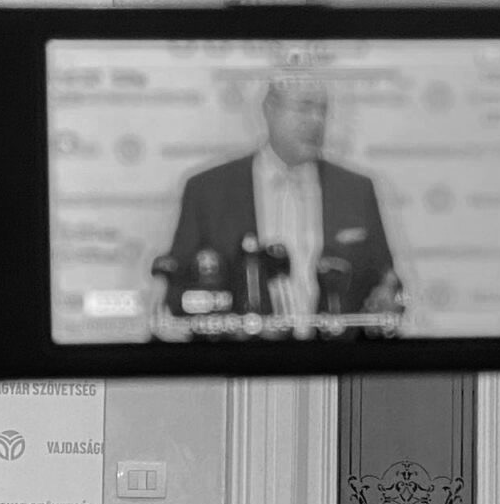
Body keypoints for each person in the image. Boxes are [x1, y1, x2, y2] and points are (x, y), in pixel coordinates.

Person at [154, 78, 403, 330]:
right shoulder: (209, 190)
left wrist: (387, 301)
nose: (316, 120)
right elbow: (178, 292)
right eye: (305, 107)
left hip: (337, 349)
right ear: (270, 110)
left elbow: (386, 282)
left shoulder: (356, 189)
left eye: (322, 110)